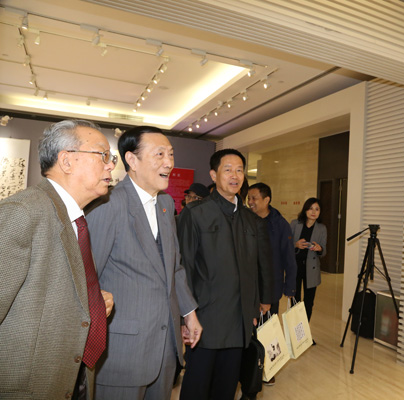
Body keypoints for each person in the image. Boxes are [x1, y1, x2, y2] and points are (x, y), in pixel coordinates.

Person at [0, 119, 115, 399]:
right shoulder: (23, 211)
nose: (111, 165)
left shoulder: (75, 219)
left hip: (68, 378)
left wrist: (92, 303)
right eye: (103, 155)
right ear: (66, 161)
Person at [85, 126, 202, 400]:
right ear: (132, 160)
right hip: (122, 352)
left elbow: (174, 267)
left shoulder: (165, 205)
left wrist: (189, 313)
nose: (169, 163)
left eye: (171, 154)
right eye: (159, 154)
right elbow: (87, 277)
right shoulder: (108, 205)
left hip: (165, 347)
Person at [178, 149, 273, 400]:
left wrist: (253, 308)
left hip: (238, 322)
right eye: (228, 169)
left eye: (240, 170)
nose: (235, 175)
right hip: (205, 321)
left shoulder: (251, 220)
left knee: (226, 389)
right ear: (213, 175)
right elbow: (184, 267)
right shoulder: (195, 214)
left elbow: (255, 268)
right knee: (197, 389)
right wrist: (185, 317)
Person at [246, 182, 296, 391]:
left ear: (267, 200)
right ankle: (248, 370)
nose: (250, 202)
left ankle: (268, 369)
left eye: (254, 198)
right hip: (248, 286)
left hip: (271, 287)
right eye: (249, 198)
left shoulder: (279, 224)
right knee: (249, 330)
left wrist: (290, 288)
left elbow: (289, 258)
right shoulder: (245, 219)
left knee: (267, 330)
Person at [291, 198, 327, 327]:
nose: (313, 212)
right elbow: (285, 244)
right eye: (311, 208)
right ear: (305, 210)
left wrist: (319, 248)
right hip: (295, 267)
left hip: (311, 269)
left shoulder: (322, 228)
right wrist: (295, 244)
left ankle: (304, 331)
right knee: (294, 300)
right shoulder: (295, 224)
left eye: (317, 209)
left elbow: (324, 250)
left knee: (309, 301)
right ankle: (295, 330)